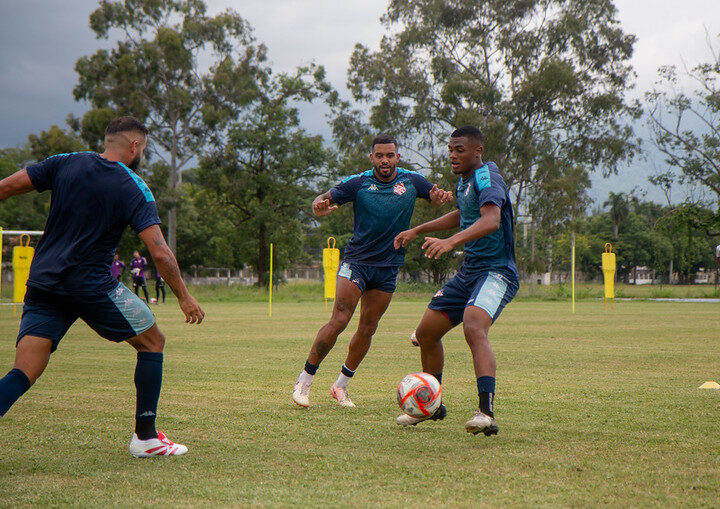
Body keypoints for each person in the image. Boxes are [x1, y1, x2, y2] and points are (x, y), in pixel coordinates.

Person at [0, 116, 205, 457]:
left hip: (43, 283)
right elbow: (159, 251)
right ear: (135, 146)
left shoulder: (66, 162)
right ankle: (146, 438)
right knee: (153, 341)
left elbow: (5, 187)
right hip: (91, 285)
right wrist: (184, 296)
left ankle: (147, 437)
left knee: (24, 370)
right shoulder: (134, 186)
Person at [292, 134, 453, 408]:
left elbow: (435, 199)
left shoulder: (413, 181)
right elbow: (323, 199)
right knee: (339, 321)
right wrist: (318, 204)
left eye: (390, 155)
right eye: (379, 156)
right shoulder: (359, 182)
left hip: (388, 267)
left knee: (367, 328)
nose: (385, 160)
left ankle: (341, 386)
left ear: (397, 157)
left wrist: (440, 199)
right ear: (372, 158)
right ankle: (304, 381)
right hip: (356, 262)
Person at [393, 126, 519, 436]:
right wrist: (417, 230)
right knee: (426, 333)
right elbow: (461, 215)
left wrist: (450, 242)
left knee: (473, 327)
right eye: (450, 149)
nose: (452, 154)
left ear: (478, 151)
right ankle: (430, 405)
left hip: (497, 270)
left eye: (459, 149)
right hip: (469, 272)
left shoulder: (487, 176)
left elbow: (490, 220)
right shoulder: (465, 180)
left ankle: (486, 412)